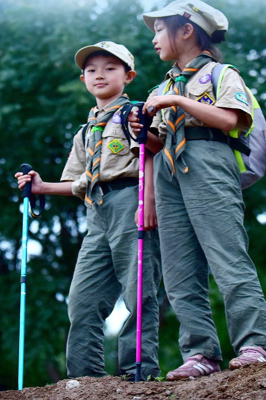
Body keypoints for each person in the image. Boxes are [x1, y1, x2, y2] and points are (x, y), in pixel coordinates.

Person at [134, 0, 266, 380]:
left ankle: (254, 343)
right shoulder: (162, 85)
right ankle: (200, 353)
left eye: (159, 29)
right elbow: (156, 141)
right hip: (168, 168)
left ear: (186, 30)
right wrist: (140, 129)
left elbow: (232, 119)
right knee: (180, 269)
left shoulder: (220, 74)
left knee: (227, 254)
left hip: (210, 158)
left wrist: (180, 99)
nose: (154, 39)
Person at [15, 41, 162, 380]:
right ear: (82, 79)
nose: (100, 75)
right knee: (81, 299)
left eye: (110, 68)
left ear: (129, 76)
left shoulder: (135, 113)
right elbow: (81, 180)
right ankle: (85, 379)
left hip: (131, 201)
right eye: (92, 70)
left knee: (138, 289)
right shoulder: (85, 131)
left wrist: (148, 201)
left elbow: (151, 154)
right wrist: (42, 187)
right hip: (96, 209)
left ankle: (139, 371)